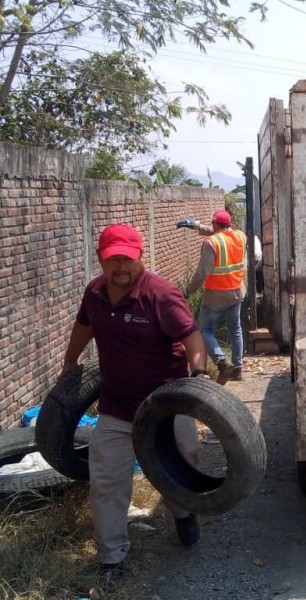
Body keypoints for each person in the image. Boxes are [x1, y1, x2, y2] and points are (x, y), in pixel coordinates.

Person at [60, 223, 209, 583]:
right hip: (117, 407)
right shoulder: (94, 293)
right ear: (101, 259)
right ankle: (111, 559)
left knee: (181, 465)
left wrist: (200, 374)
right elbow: (83, 327)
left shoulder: (161, 296)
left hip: (166, 406)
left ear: (139, 256)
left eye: (127, 258)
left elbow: (192, 338)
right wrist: (70, 364)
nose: (121, 267)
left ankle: (182, 513)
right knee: (107, 481)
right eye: (113, 260)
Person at [182, 210, 248, 384]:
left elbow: (202, 273)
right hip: (236, 292)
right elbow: (222, 235)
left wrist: (187, 291)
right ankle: (238, 369)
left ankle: (221, 361)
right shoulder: (241, 236)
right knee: (235, 329)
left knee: (204, 330)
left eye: (212, 224)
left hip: (216, 296)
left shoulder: (211, 243)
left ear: (216, 225)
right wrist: (197, 226)